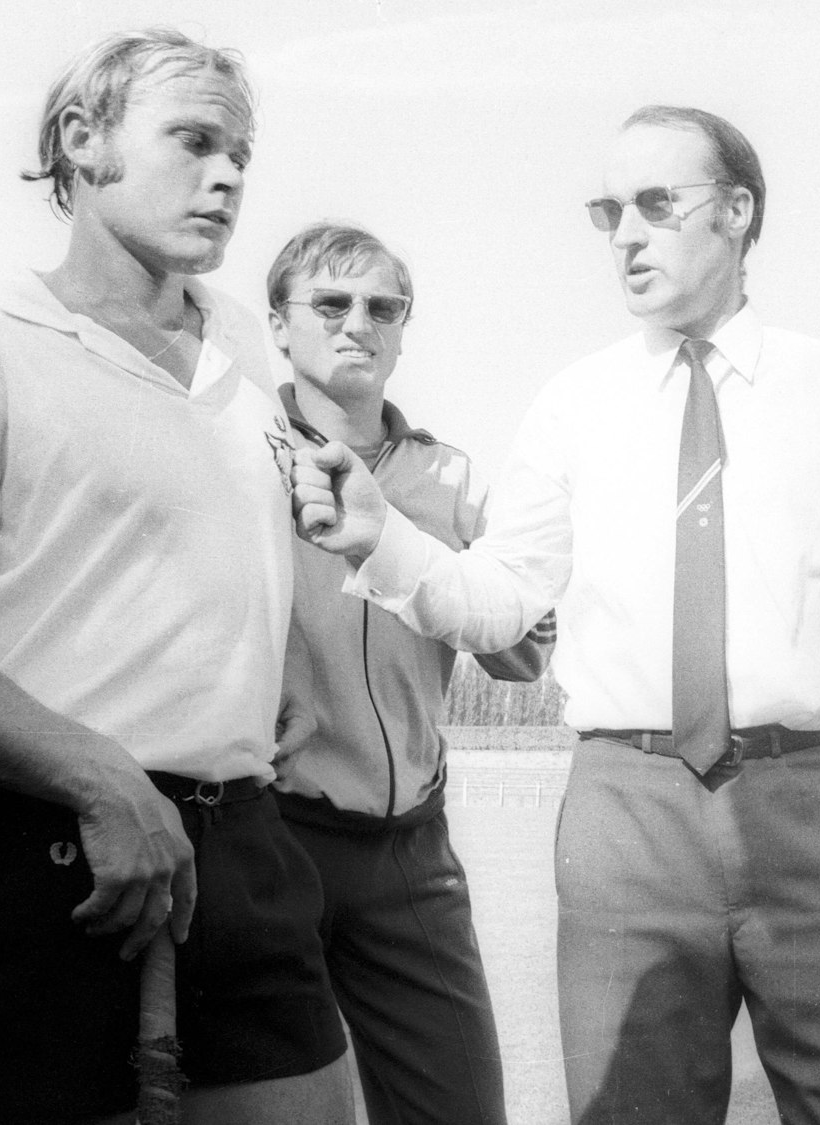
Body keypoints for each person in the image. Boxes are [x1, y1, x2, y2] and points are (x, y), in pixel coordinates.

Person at [289, 104, 820, 1124]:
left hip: (813, 801)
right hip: (627, 807)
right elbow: (504, 598)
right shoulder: (575, 403)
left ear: (737, 212)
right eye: (606, 211)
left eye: (655, 205)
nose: (624, 234)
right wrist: (380, 538)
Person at [0, 29, 353, 1124]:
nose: (229, 177)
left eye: (241, 153)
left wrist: (277, 661)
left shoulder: (246, 349)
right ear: (81, 142)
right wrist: (99, 778)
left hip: (241, 843)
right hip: (38, 858)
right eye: (194, 141)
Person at [264, 221, 556, 1125]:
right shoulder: (237, 452)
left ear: (403, 328)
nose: (359, 324)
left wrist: (412, 546)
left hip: (409, 849)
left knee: (461, 1109)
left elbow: (524, 651)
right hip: (271, 836)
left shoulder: (451, 475)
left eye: (382, 307)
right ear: (278, 324)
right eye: (331, 303)